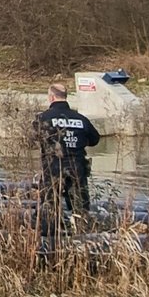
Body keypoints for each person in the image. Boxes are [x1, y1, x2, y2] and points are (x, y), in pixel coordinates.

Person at [34, 83, 100, 217]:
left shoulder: (43, 118)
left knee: (49, 207)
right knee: (80, 208)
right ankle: (81, 232)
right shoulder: (81, 119)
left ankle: (52, 233)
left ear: (51, 97)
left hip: (52, 168)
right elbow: (95, 139)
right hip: (77, 168)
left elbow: (32, 140)